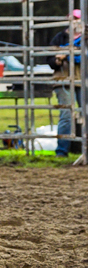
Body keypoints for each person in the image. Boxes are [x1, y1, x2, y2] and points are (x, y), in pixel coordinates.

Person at [49, 10, 83, 158]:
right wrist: (58, 59)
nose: (74, 21)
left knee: (85, 114)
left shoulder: (85, 38)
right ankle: (62, 151)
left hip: (82, 80)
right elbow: (50, 60)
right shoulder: (58, 38)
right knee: (67, 115)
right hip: (63, 80)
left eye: (77, 18)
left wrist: (73, 53)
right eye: (72, 18)